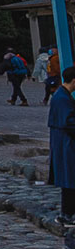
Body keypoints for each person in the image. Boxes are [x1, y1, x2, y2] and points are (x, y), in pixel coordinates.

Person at [48, 65, 75, 225]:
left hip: (62, 142)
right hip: (67, 144)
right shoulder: (63, 98)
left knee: (69, 179)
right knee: (70, 180)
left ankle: (67, 214)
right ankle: (67, 215)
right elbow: (69, 122)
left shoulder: (60, 96)